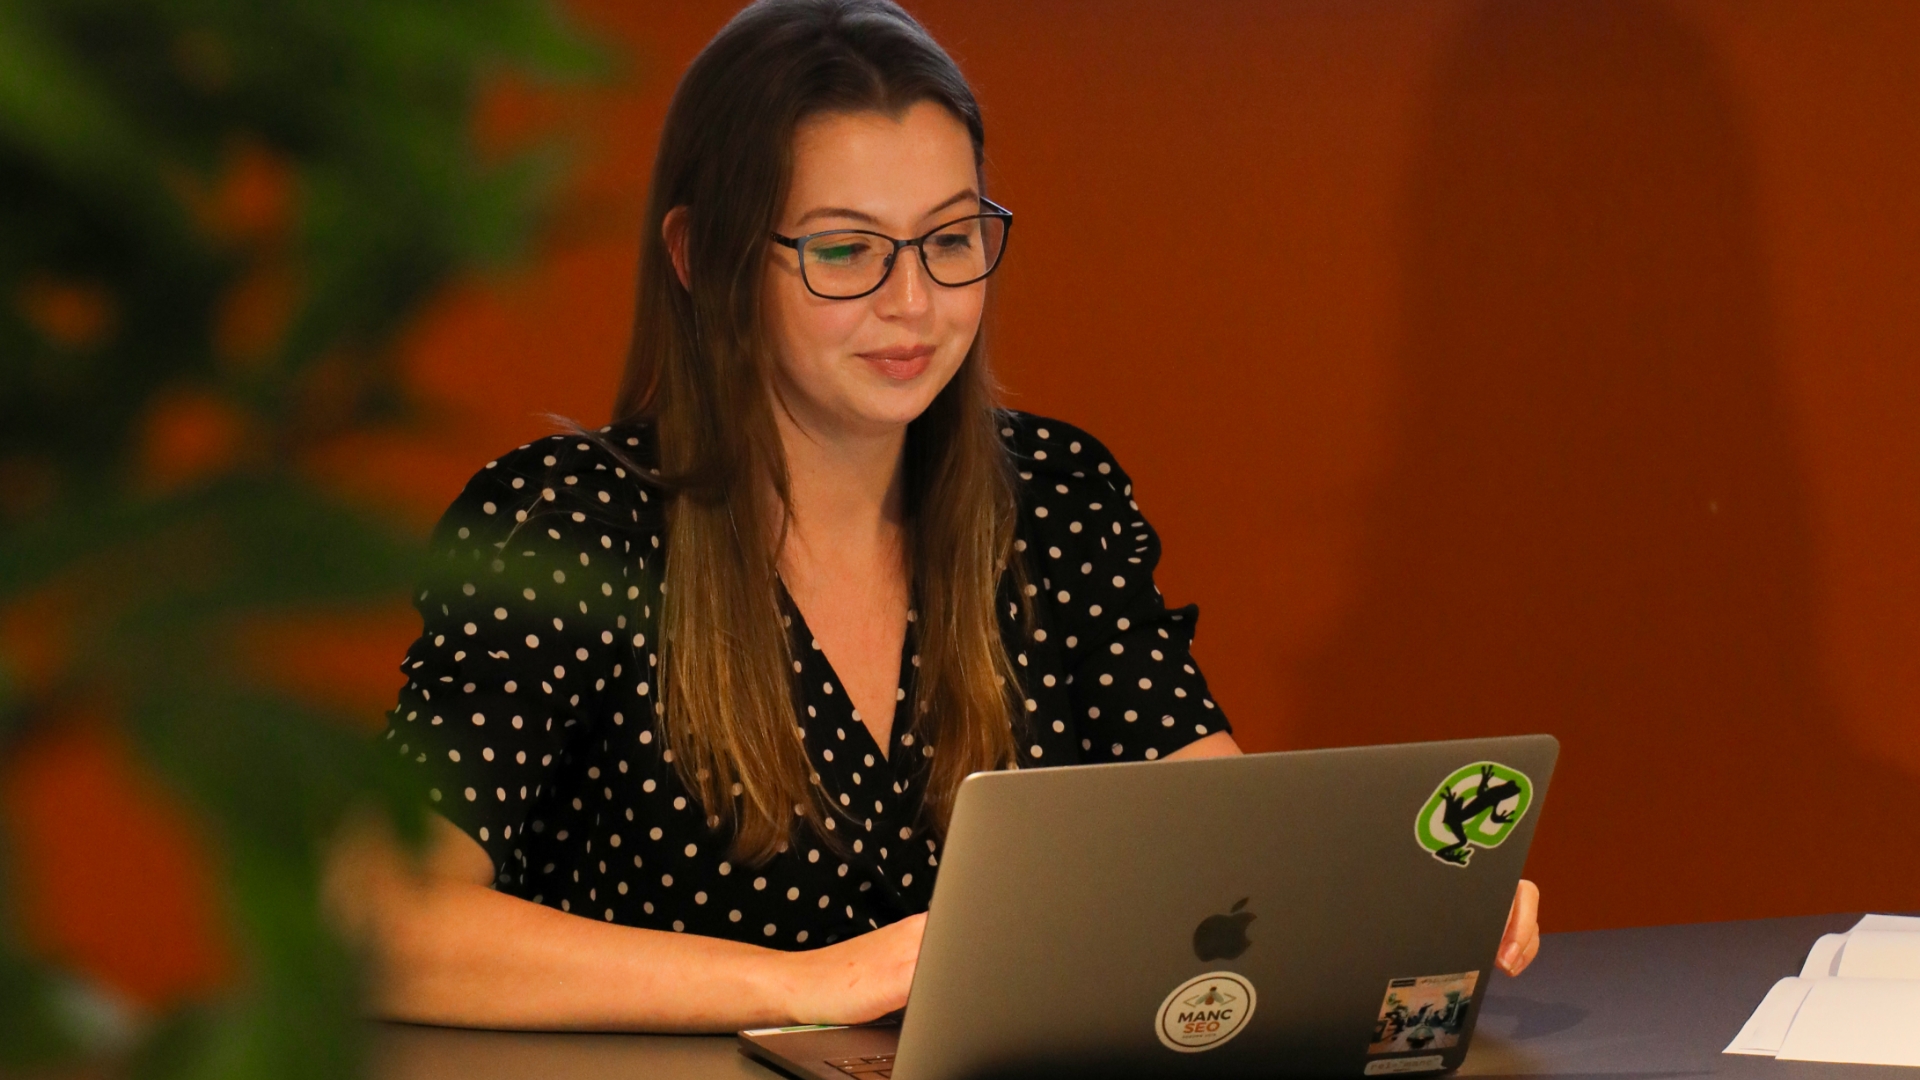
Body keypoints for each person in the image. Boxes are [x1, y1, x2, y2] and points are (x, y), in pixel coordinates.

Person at [324, 0, 1541, 1034]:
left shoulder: (1051, 500)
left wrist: (1407, 894)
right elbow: (379, 917)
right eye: (847, 252)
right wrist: (810, 985)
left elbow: (1217, 832)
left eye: (953, 239)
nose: (916, 304)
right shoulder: (569, 526)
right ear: (703, 258)